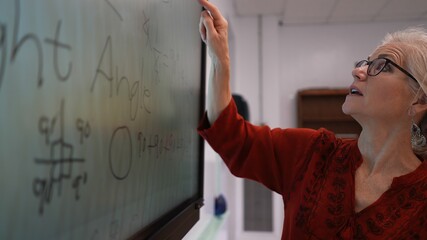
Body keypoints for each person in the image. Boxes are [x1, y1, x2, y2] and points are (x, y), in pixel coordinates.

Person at [197, 0, 427, 239]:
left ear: (419, 100)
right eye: (365, 63)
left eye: (382, 66)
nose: (358, 71)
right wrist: (220, 60)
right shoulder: (314, 153)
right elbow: (231, 137)